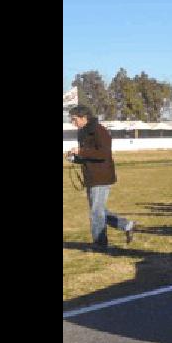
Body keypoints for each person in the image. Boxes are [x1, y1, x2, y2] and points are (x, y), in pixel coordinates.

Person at [66, 105, 136, 249]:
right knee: (99, 211)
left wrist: (81, 151)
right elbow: (87, 157)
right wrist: (74, 158)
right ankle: (126, 225)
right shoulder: (82, 133)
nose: (73, 123)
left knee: (96, 212)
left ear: (83, 117)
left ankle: (100, 244)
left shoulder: (99, 131)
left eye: (74, 119)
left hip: (102, 177)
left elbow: (103, 154)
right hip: (91, 177)